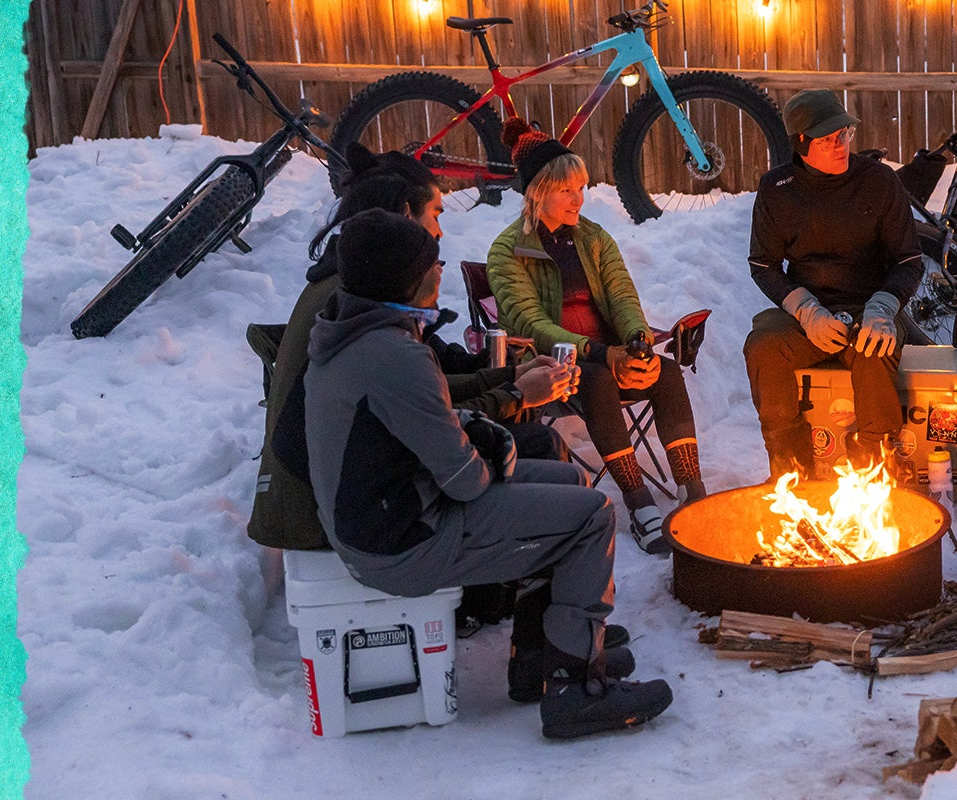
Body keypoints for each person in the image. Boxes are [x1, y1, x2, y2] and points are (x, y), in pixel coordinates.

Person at [305, 208, 673, 739]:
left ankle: (538, 658)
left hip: (388, 517)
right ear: (408, 279)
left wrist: (484, 424)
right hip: (403, 543)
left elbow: (418, 426)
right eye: (433, 265)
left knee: (569, 483)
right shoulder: (393, 354)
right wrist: (495, 442)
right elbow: (468, 482)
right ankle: (576, 687)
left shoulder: (354, 333)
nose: (439, 273)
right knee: (592, 515)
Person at [249, 144, 574, 554]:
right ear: (404, 213)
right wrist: (513, 392)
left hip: (329, 488)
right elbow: (422, 400)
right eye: (437, 213)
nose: (439, 232)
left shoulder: (350, 278)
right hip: (332, 509)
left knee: (511, 442)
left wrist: (509, 377)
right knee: (532, 447)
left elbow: (421, 384)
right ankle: (521, 572)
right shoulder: (354, 295)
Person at [487, 117, 706, 557]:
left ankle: (693, 491)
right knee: (598, 379)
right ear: (537, 192)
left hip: (609, 352)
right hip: (554, 365)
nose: (579, 199)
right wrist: (602, 353)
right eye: (567, 189)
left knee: (663, 371)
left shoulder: (592, 238)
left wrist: (638, 343)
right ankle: (638, 500)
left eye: (581, 188)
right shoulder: (508, 250)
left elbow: (622, 296)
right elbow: (532, 324)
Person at [743, 89, 923, 480]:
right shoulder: (777, 190)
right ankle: (791, 470)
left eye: (845, 135)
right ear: (801, 143)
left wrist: (884, 307)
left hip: (870, 308)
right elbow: (763, 264)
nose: (841, 145)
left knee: (874, 350)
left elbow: (909, 260)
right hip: (809, 315)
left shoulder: (878, 181)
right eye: (828, 139)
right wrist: (805, 310)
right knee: (763, 347)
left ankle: (874, 468)